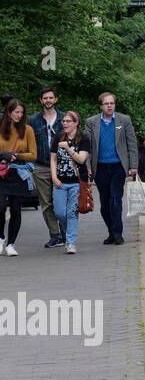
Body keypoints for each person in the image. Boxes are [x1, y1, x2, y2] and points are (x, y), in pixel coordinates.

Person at [85, 92, 138, 246]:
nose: (109, 106)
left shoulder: (124, 120)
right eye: (106, 103)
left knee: (115, 199)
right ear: (101, 106)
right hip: (100, 167)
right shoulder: (91, 122)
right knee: (104, 202)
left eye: (112, 103)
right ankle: (111, 231)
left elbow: (132, 144)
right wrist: (87, 167)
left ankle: (117, 233)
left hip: (118, 167)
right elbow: (87, 147)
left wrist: (133, 166)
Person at [30, 86, 66, 248]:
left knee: (62, 202)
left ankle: (66, 232)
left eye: (51, 98)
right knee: (46, 203)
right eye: (45, 98)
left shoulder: (65, 118)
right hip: (41, 166)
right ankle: (55, 235)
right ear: (41, 100)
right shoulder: (34, 120)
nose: (48, 100)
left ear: (56, 99)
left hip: (62, 166)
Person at [0, 99, 36, 256]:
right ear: (8, 113)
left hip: (19, 172)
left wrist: (17, 155)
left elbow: (34, 155)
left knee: (16, 209)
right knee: (0, 207)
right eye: (16, 112)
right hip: (2, 172)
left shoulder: (27, 130)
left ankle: (11, 244)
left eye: (22, 112)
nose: (19, 115)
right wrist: (3, 154)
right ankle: (0, 238)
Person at [51, 110, 90, 255]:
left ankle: (71, 242)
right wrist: (54, 177)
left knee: (72, 213)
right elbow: (53, 159)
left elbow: (81, 159)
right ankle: (69, 235)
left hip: (77, 182)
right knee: (60, 213)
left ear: (76, 123)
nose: (65, 123)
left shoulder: (83, 139)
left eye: (68, 121)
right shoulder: (58, 137)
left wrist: (68, 147)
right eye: (63, 121)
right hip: (60, 181)